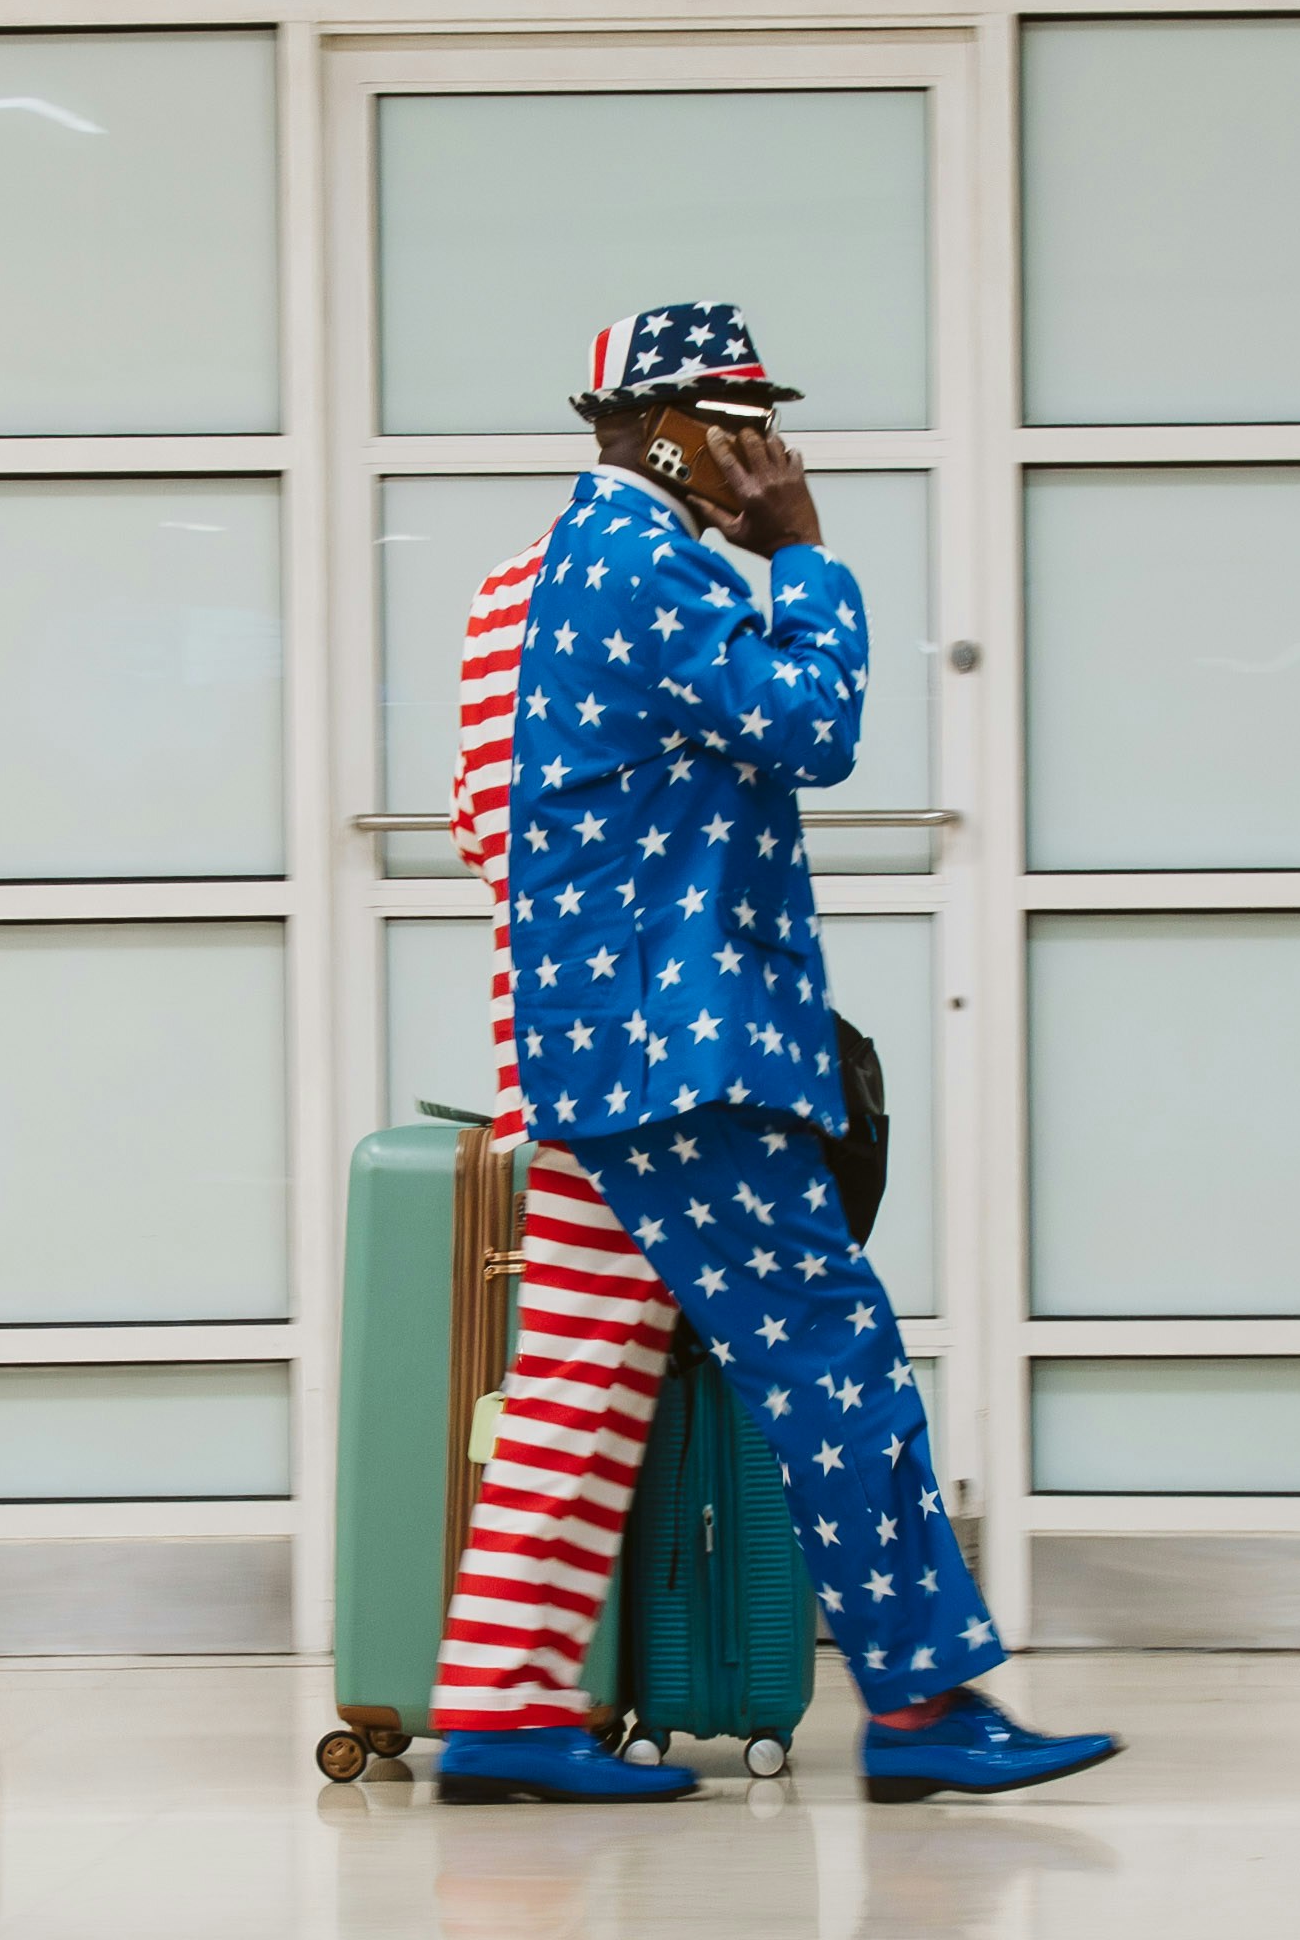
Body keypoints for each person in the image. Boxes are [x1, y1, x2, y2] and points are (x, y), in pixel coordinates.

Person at [424, 297, 1117, 1803]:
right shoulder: (652, 561)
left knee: (578, 1373)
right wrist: (805, 551)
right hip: (684, 1059)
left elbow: (486, 821)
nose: (769, 446)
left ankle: (499, 1708)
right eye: (742, 420)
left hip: (580, 1049)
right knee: (831, 1353)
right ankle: (924, 1702)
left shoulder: (516, 585)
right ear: (664, 428)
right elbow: (814, 724)